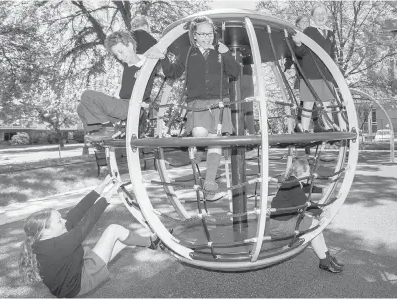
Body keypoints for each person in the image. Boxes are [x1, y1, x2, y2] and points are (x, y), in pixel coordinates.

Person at [18, 175, 163, 297]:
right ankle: (151, 243)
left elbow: (79, 210)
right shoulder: (57, 246)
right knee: (114, 230)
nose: (64, 221)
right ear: (46, 230)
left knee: (124, 239)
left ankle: (151, 243)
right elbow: (87, 222)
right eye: (59, 220)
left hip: (73, 275)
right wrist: (108, 195)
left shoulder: (43, 240)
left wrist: (102, 185)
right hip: (79, 282)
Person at [146, 16, 240, 199]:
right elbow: (172, 72)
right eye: (202, 34)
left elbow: (235, 72)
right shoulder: (187, 52)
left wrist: (227, 53)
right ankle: (195, 149)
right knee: (199, 133)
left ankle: (210, 182)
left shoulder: (220, 52)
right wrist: (163, 58)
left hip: (219, 102)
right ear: (194, 35)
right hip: (197, 102)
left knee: (215, 141)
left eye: (210, 33)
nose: (206, 37)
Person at [77, 27, 157, 142]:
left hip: (131, 106)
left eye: (121, 51)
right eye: (116, 54)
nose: (120, 56)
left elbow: (158, 54)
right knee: (81, 106)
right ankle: (99, 131)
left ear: (130, 45)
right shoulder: (126, 67)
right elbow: (120, 91)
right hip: (121, 106)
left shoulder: (146, 63)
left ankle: (108, 129)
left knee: (87, 95)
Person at [269, 158, 344, 273]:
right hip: (280, 226)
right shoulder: (292, 185)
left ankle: (326, 257)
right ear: (301, 172)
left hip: (285, 221)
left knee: (316, 226)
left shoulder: (293, 181)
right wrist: (321, 211)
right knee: (314, 224)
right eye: (308, 171)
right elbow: (304, 204)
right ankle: (324, 261)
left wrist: (321, 189)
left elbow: (307, 188)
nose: (309, 174)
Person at [292, 4, 338, 133]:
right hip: (311, 72)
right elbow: (301, 52)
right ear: (312, 17)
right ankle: (304, 129)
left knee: (327, 102)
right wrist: (298, 44)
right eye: (317, 14)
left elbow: (332, 54)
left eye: (323, 13)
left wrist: (333, 72)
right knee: (308, 101)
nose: (320, 16)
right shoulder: (309, 31)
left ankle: (329, 127)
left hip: (326, 74)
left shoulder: (330, 33)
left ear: (327, 16)